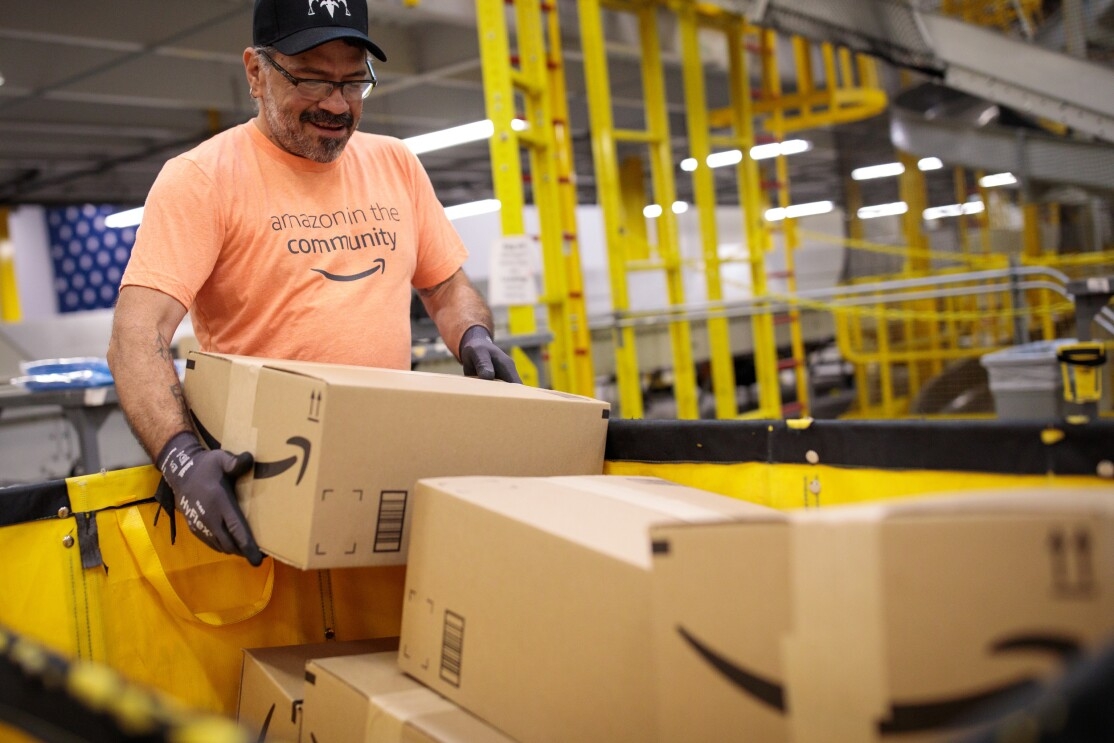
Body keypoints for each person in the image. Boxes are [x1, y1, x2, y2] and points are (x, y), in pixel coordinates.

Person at [107, 0, 520, 566]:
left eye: (354, 83)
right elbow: (136, 338)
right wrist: (181, 459)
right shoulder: (201, 179)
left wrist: (473, 335)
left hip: (388, 470)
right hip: (264, 487)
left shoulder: (396, 164)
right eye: (312, 79)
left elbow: (447, 289)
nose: (336, 104)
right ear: (255, 72)